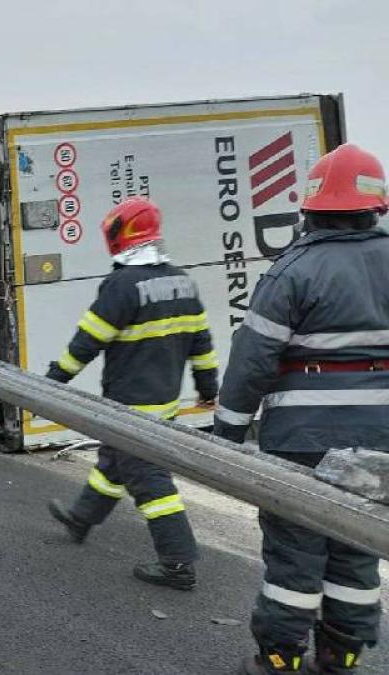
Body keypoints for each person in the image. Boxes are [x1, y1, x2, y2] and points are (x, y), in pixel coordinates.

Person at [212, 144, 389, 675]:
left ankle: (280, 659)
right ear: (376, 205)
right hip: (380, 438)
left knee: (295, 553)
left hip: (302, 439)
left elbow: (251, 362)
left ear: (309, 208)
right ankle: (342, 655)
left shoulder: (292, 270)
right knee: (357, 547)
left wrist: (227, 432)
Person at [46, 196, 218, 591]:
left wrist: (53, 380)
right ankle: (81, 518)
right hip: (164, 405)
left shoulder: (121, 286)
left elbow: (87, 342)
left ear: (121, 235)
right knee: (114, 462)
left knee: (150, 483)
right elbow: (202, 345)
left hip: (130, 407)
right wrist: (209, 390)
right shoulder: (182, 282)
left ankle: (177, 564)